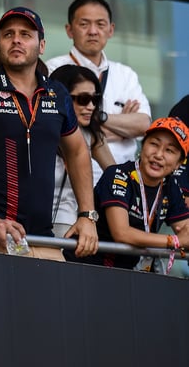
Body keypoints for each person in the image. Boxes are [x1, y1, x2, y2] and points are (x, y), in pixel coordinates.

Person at [0, 6, 98, 258]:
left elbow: (77, 152)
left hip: (43, 241)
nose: (16, 40)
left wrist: (87, 215)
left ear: (42, 45)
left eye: (25, 34)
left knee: (57, 298)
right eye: (8, 34)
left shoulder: (57, 93)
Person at [45, 0, 151, 164]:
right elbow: (59, 127)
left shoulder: (125, 74)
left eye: (100, 24)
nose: (93, 31)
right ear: (69, 30)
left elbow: (144, 125)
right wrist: (123, 131)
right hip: (68, 184)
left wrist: (99, 118)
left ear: (111, 29)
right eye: (84, 24)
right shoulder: (53, 69)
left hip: (121, 183)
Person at [80, 117, 189, 273]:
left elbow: (186, 228)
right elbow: (122, 233)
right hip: (91, 268)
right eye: (154, 144)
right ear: (143, 145)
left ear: (179, 163)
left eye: (169, 150)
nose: (158, 154)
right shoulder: (118, 174)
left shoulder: (170, 185)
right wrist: (174, 240)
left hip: (130, 275)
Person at [49, 65, 115, 237]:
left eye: (95, 99)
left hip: (75, 224)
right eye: (83, 99)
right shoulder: (42, 129)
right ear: (62, 98)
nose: (91, 106)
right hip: (34, 224)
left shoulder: (91, 134)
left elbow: (115, 174)